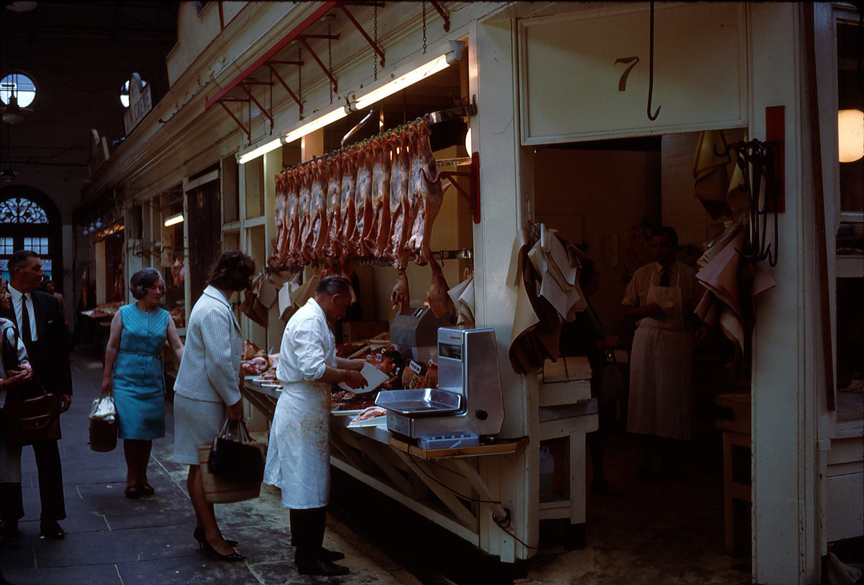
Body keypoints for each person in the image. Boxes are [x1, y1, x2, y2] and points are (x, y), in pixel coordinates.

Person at [264, 276, 368, 577]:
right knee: (306, 486)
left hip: (307, 408)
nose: (345, 313)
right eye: (345, 306)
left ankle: (311, 547)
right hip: (301, 410)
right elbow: (314, 369)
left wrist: (354, 366)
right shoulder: (310, 321)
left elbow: (325, 358)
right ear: (334, 299)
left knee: (310, 483)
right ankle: (308, 559)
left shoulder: (315, 317)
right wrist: (347, 377)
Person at [173, 250, 255, 562]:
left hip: (198, 396)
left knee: (199, 465)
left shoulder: (211, 303)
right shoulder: (214, 310)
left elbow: (220, 358)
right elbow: (218, 364)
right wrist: (234, 401)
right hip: (202, 398)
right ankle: (212, 536)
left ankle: (203, 527)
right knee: (204, 467)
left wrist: (236, 370)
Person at [622, 227, 704, 481]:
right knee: (643, 401)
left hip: (676, 344)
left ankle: (671, 465)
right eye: (655, 246)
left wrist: (699, 327)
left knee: (673, 402)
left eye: (664, 245)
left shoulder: (690, 276)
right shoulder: (642, 275)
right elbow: (626, 309)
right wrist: (645, 309)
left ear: (675, 246)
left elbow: (702, 311)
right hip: (646, 342)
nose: (660, 251)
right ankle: (644, 465)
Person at [0, 251, 72, 543]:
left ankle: (51, 518)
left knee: (49, 457)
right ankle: (9, 518)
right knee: (8, 458)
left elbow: (60, 350)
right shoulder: (1, 305)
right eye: (36, 268)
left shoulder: (48, 303)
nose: (42, 273)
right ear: (18, 271)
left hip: (44, 390)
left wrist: (65, 389)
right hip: (9, 391)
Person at [101, 269, 184, 499]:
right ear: (141, 289)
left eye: (160, 288)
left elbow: (177, 346)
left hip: (152, 381)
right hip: (126, 380)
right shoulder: (123, 314)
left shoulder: (165, 316)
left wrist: (189, 368)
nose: (159, 292)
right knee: (132, 430)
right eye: (154, 287)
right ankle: (131, 477)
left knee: (147, 430)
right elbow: (112, 346)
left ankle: (144, 476)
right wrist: (107, 376)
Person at [559, 258, 619, 494]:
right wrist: (603, 343)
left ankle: (598, 477)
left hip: (594, 369)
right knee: (588, 427)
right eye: (595, 274)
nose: (599, 279)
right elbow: (574, 343)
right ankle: (584, 481)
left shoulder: (587, 306)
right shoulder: (577, 311)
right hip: (583, 372)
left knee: (597, 426)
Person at [0, 278, 34, 582]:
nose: (5, 295)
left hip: (5, 410)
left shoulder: (6, 329)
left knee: (9, 465)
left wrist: (25, 371)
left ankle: (10, 521)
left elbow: (24, 362)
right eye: (0, 291)